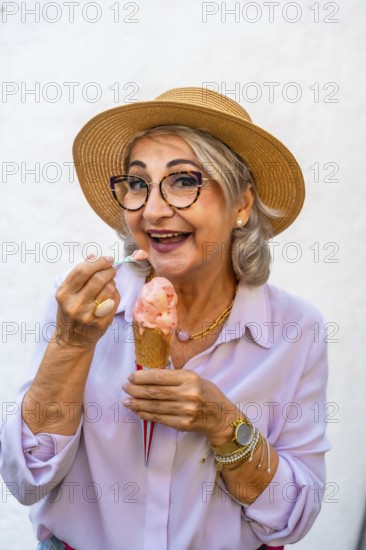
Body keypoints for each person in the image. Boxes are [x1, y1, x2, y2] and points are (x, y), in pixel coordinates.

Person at [0, 87, 330, 550]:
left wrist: (223, 423)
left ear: (242, 204)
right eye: (137, 184)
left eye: (183, 180)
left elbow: (294, 518)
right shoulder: (86, 306)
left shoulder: (296, 329)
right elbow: (27, 479)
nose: (153, 210)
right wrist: (70, 346)